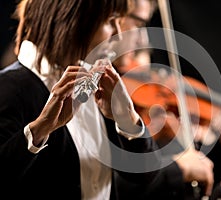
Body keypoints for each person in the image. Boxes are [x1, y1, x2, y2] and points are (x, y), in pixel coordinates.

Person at [0, 0, 163, 199]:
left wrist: (128, 119)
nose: (119, 35)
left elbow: (146, 174)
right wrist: (40, 129)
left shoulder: (96, 82)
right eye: (111, 21)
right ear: (73, 18)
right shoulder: (8, 89)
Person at [109, 0, 221, 199]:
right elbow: (119, 189)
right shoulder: (102, 97)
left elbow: (173, 188)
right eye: (139, 24)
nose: (142, 39)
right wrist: (179, 169)